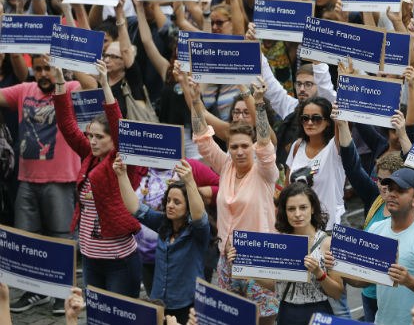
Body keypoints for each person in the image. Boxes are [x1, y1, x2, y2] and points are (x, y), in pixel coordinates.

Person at [0, 54, 95, 314]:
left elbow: (92, 87)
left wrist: (66, 66)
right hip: (27, 180)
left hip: (62, 179)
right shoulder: (24, 90)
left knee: (61, 239)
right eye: (39, 69)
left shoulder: (70, 88)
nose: (43, 74)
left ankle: (61, 294)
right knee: (26, 238)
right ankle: (33, 292)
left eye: (48, 69)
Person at [190, 77, 280, 324]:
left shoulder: (265, 172)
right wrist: (195, 100)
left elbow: (265, 143)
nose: (239, 151)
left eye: (244, 146)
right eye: (234, 147)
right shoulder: (227, 165)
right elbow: (202, 139)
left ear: (252, 147)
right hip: (226, 258)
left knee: (264, 321)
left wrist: (258, 105)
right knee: (228, 319)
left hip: (258, 260)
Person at [52, 61, 143, 299]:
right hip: (91, 261)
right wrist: (60, 83)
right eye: (90, 135)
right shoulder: (89, 157)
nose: (92, 141)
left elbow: (118, 125)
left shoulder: (121, 161)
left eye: (99, 137)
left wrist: (104, 84)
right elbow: (68, 126)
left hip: (119, 262)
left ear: (113, 140)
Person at [330, 168, 414, 325]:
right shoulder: (376, 229)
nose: (392, 194)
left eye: (400, 190)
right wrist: (339, 266)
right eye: (390, 188)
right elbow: (363, 281)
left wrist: (409, 281)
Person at [114, 158, 210, 324]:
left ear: (188, 207)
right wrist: (121, 175)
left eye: (177, 202)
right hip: (159, 304)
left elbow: (199, 217)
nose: (170, 205)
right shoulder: (162, 223)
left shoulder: (197, 232)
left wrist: (189, 181)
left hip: (187, 305)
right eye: (168, 200)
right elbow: (135, 208)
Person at [272, 182, 343, 324]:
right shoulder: (280, 242)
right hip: (287, 312)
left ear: (312, 208)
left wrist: (319, 273)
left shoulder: (328, 243)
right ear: (284, 212)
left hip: (318, 312)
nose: (297, 214)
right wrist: (247, 268)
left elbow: (337, 293)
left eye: (303, 207)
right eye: (291, 209)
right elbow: (275, 284)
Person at [285, 97, 346, 231]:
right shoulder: (297, 146)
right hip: (299, 228)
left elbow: (342, 124)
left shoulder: (334, 148)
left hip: (328, 228)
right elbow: (287, 189)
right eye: (305, 118)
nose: (310, 122)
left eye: (316, 118)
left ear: (328, 122)